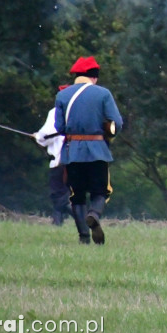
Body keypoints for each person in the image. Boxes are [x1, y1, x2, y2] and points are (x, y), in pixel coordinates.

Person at [56, 56, 122, 245]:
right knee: (100, 191)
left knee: (76, 196)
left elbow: (59, 126)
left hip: (72, 152)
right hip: (97, 151)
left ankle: (84, 238)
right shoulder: (103, 94)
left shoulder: (62, 95)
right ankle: (93, 214)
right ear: (94, 77)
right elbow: (117, 123)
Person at [35, 85, 72, 226]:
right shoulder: (82, 112)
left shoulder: (56, 112)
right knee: (67, 194)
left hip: (60, 160)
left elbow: (47, 135)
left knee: (58, 194)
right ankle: (57, 223)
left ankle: (84, 219)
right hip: (80, 159)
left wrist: (38, 136)